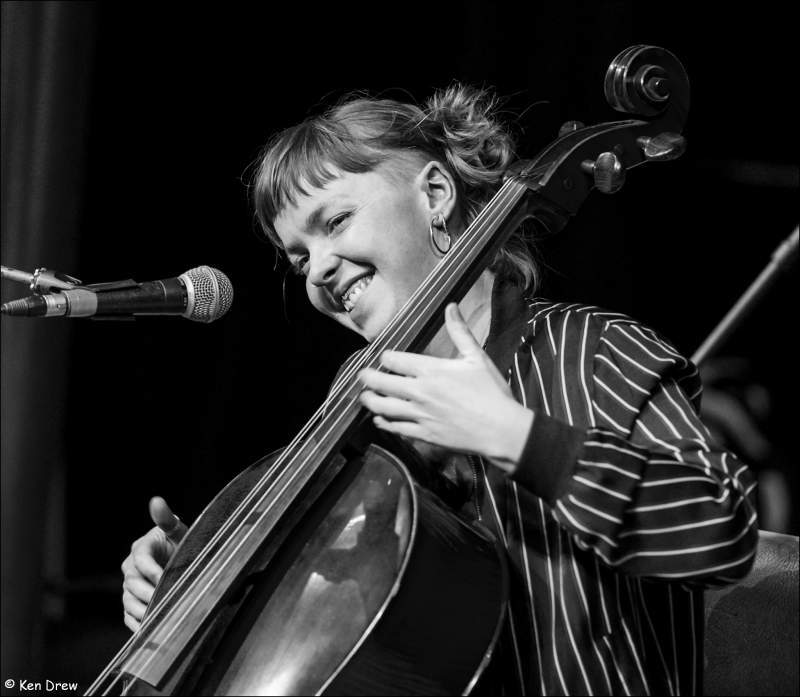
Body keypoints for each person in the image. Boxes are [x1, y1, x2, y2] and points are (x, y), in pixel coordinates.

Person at [120, 84, 759, 695]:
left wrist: (517, 437)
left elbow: (721, 530)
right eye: (299, 258)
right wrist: (209, 577)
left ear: (435, 193)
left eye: (335, 220)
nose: (317, 271)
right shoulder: (360, 406)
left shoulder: (589, 350)